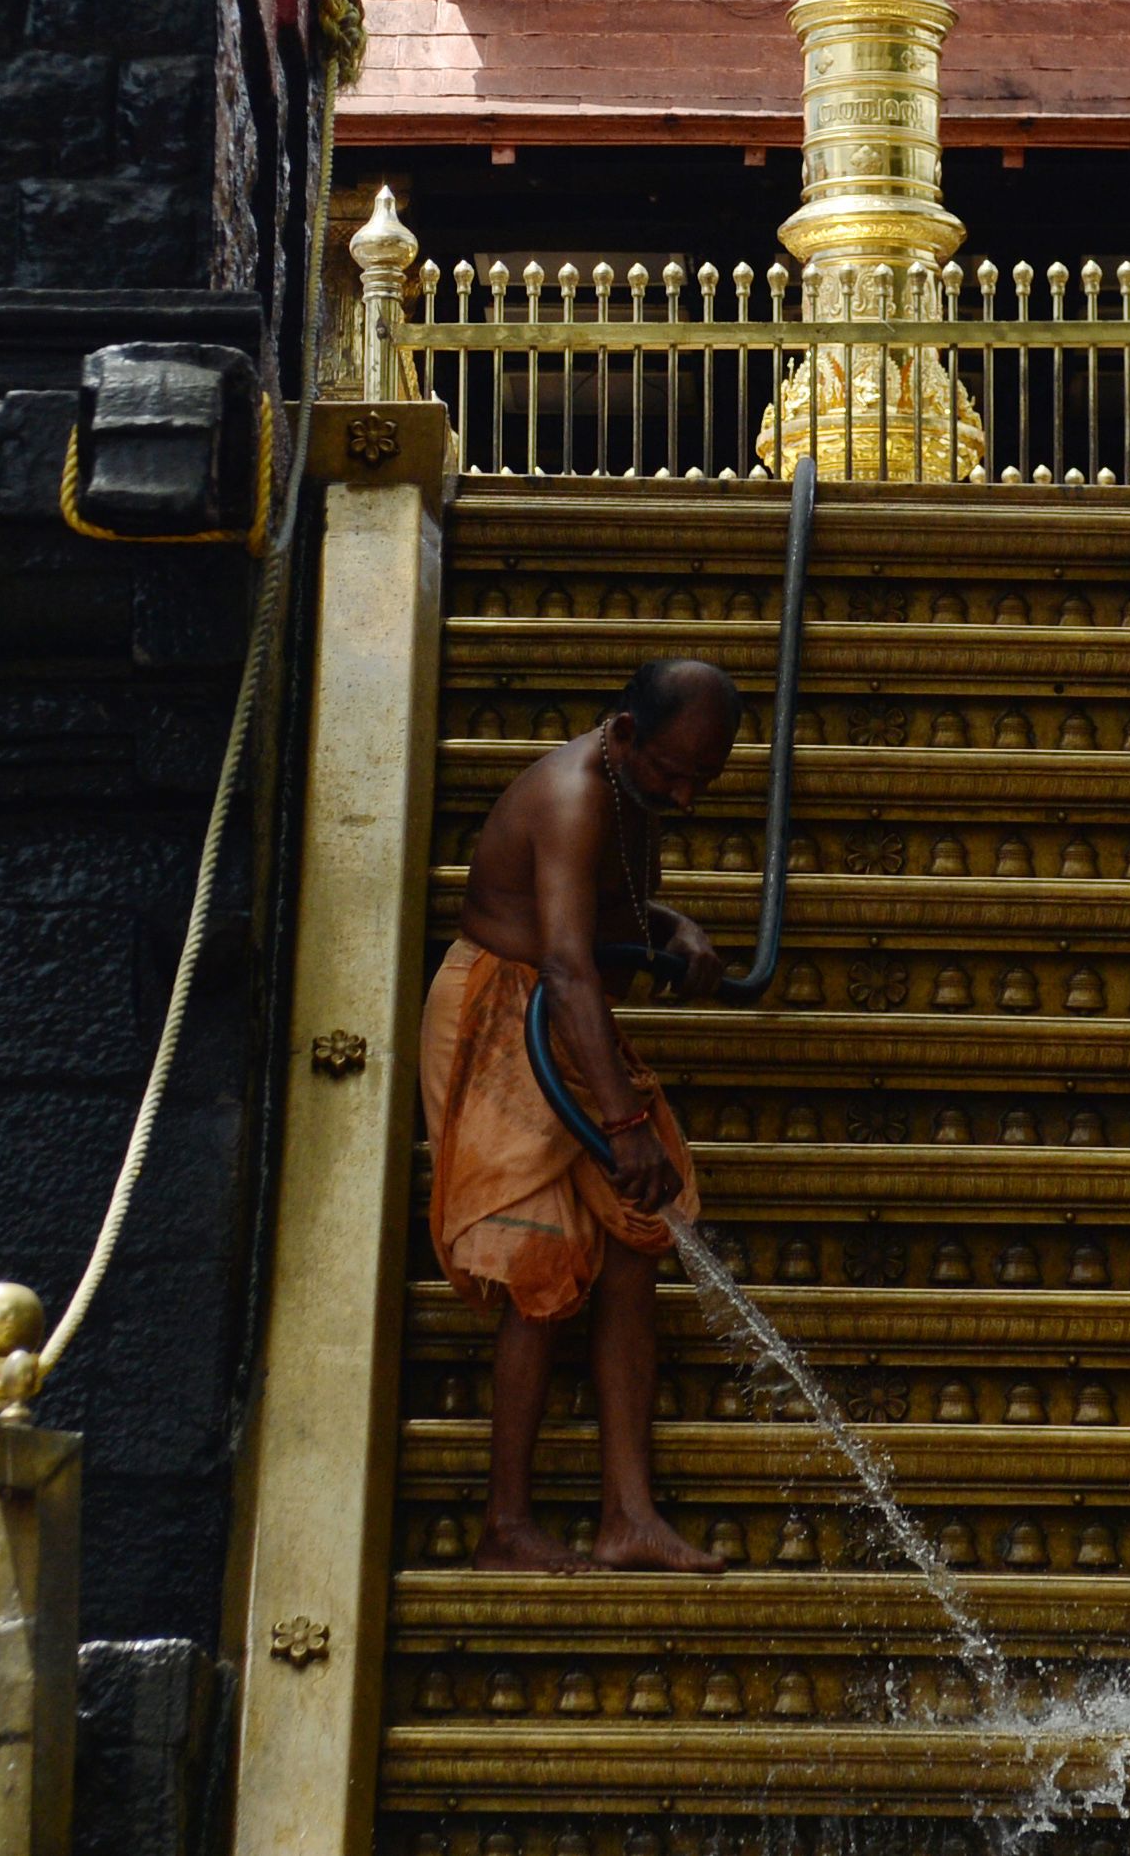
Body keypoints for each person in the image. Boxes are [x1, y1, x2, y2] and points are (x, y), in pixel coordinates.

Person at [419, 655, 738, 1574]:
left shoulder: (631, 791)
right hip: (501, 1012)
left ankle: (628, 1516)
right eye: (673, 774)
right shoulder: (574, 793)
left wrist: (672, 930)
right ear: (626, 734)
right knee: (539, 1260)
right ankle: (505, 1526)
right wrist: (625, 1122)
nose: (682, 798)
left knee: (638, 1236)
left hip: (564, 1008)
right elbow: (562, 965)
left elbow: (604, 920)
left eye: (702, 783)